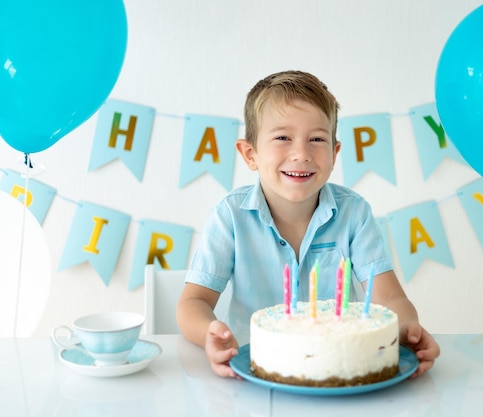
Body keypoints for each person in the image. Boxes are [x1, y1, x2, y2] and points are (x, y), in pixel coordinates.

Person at [177, 70, 440, 378]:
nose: (301, 153)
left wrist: (407, 328)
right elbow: (193, 303)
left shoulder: (354, 213)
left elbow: (389, 297)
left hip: (340, 376)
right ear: (250, 154)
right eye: (282, 138)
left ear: (334, 152)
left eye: (317, 139)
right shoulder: (230, 215)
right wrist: (211, 332)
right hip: (252, 375)